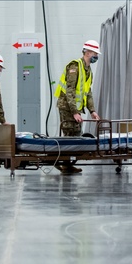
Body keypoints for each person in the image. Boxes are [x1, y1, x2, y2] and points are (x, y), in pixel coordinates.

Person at [53, 39, 102, 174]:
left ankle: (67, 165)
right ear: (87, 52)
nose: (96, 57)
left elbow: (88, 92)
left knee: (75, 135)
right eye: (94, 54)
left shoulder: (88, 70)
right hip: (67, 106)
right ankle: (61, 162)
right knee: (69, 135)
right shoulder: (74, 66)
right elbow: (70, 91)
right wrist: (74, 112)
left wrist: (92, 110)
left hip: (75, 108)